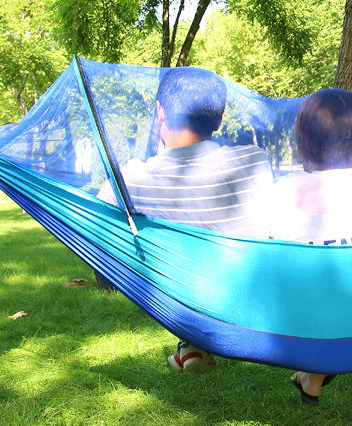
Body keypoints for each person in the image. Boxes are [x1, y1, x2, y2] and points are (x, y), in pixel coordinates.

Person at [97, 66, 273, 376]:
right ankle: (192, 340)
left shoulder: (129, 180)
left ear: (160, 111)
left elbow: (101, 249)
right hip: (244, 294)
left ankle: (190, 337)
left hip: (174, 295)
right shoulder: (252, 160)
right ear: (219, 120)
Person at [269, 88, 352, 406]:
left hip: (301, 325)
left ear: (305, 140)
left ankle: (314, 371)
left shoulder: (285, 191)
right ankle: (313, 375)